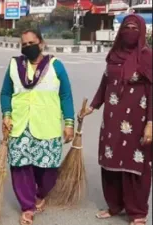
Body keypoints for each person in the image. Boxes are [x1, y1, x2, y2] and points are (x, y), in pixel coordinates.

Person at [79, 15, 152, 225]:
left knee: (136, 165)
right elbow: (105, 84)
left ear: (141, 31)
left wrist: (150, 123)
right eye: (126, 26)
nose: (130, 30)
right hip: (112, 119)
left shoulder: (147, 57)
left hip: (138, 121)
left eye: (134, 27)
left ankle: (137, 212)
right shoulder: (114, 56)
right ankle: (115, 205)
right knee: (110, 160)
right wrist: (92, 107)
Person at [0, 29, 75, 225]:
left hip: (47, 124)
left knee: (48, 169)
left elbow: (65, 95)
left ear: (41, 43)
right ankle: (27, 205)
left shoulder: (55, 66)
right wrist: (6, 114)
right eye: (24, 44)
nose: (28, 47)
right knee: (20, 167)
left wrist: (69, 123)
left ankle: (40, 193)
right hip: (20, 124)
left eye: (31, 42)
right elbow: (5, 93)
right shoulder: (15, 65)